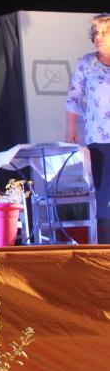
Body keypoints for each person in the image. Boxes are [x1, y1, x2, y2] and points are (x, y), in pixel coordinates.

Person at [65, 13, 110, 243]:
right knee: (105, 192)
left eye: (104, 32)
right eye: (95, 33)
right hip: (100, 140)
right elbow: (73, 98)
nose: (98, 37)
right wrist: (71, 129)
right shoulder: (86, 64)